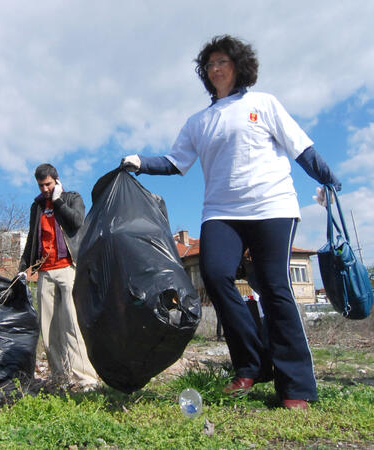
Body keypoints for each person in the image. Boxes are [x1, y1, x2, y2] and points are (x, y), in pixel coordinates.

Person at [121, 35, 341, 409]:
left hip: (272, 206)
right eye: (209, 64)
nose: (216, 68)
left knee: (274, 288)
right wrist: (140, 161)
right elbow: (176, 162)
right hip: (221, 211)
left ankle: (297, 387)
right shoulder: (199, 121)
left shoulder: (263, 103)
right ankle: (250, 365)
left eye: (222, 61)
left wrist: (328, 179)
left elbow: (300, 147)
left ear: (238, 65)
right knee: (216, 274)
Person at [18, 163, 98, 390]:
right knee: (49, 329)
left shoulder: (72, 198)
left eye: (48, 184)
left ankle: (86, 379)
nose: (44, 189)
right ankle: (59, 377)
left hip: (68, 268)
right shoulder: (37, 206)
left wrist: (57, 200)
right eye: (41, 185)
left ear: (56, 181)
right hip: (45, 271)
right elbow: (33, 237)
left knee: (72, 324)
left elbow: (76, 222)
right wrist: (24, 264)